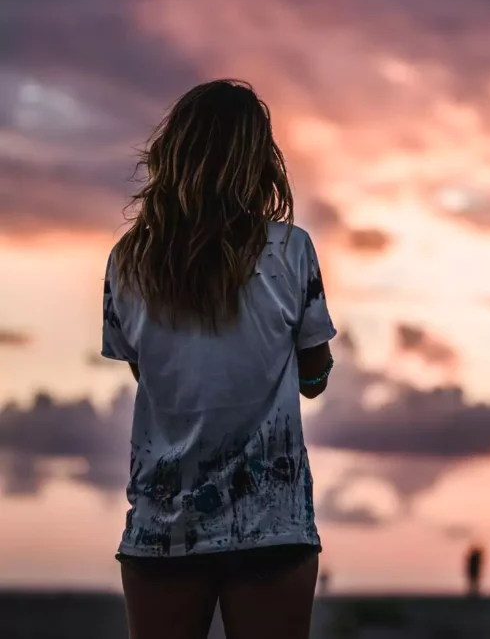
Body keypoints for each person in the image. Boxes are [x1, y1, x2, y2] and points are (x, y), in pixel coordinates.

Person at [101, 79, 337, 639]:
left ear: (174, 153)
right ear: (257, 162)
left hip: (164, 523)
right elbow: (315, 378)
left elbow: (151, 377)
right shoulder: (290, 250)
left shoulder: (128, 262)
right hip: (271, 523)